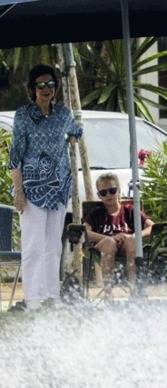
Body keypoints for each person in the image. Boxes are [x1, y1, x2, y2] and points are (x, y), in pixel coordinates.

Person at [9, 64, 82, 310]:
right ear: (32, 89)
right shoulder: (23, 116)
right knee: (33, 246)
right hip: (32, 190)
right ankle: (33, 300)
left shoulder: (62, 113)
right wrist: (18, 192)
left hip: (59, 189)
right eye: (41, 85)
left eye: (51, 84)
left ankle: (53, 296)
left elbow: (76, 130)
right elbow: (15, 156)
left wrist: (73, 136)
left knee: (53, 246)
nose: (46, 89)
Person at [84, 173, 153, 298]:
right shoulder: (96, 213)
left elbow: (151, 226)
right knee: (109, 243)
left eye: (112, 190)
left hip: (127, 247)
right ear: (99, 196)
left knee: (132, 241)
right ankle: (108, 295)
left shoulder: (130, 210)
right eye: (104, 193)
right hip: (103, 249)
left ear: (119, 190)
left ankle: (134, 293)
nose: (109, 195)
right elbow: (85, 232)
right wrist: (107, 238)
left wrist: (134, 235)